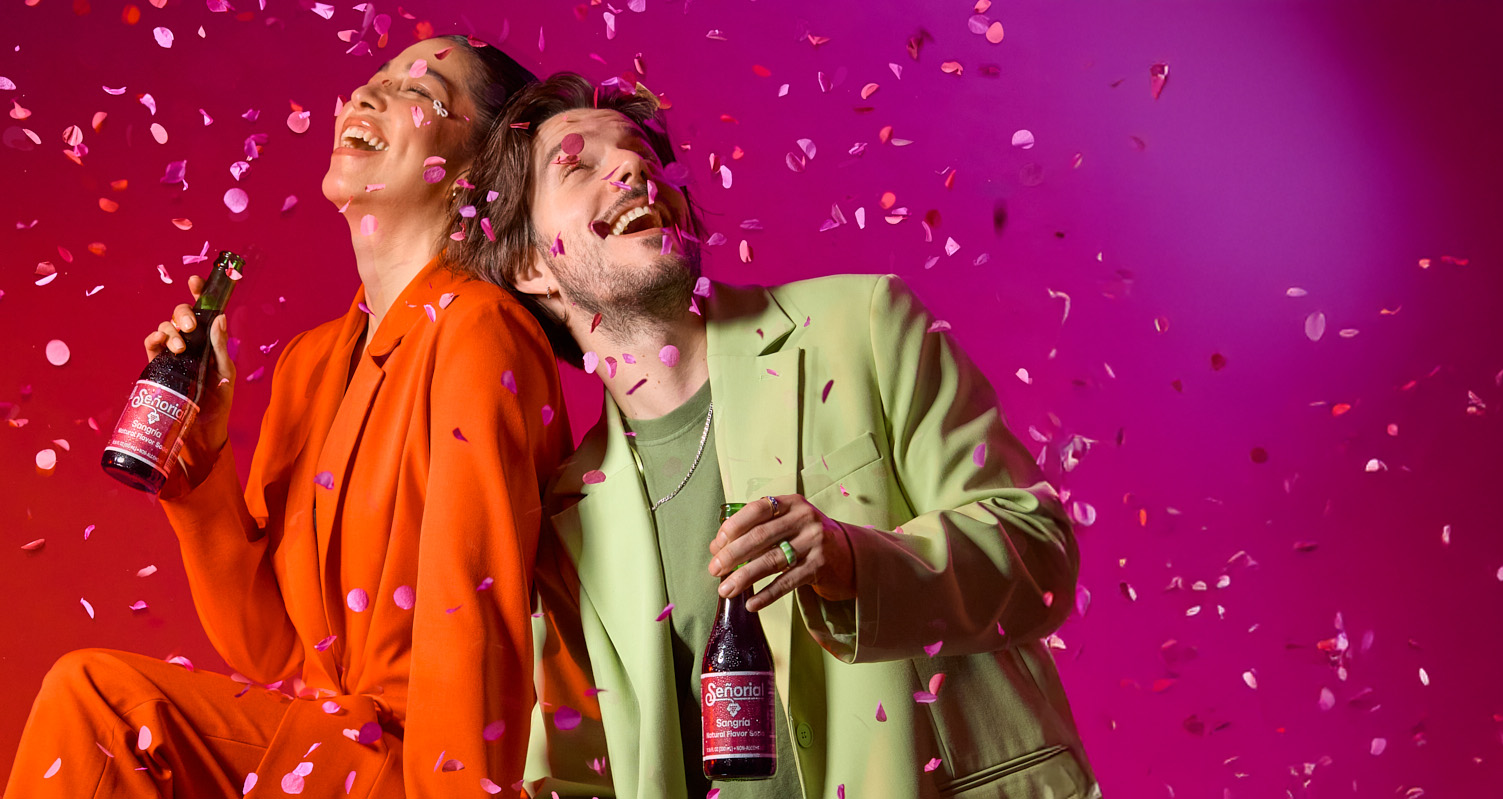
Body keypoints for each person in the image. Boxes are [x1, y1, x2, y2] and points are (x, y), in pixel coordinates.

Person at [451, 73, 1101, 799]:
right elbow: (576, 767)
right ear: (528, 265)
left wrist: (855, 560)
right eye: (577, 164)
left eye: (640, 153)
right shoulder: (567, 512)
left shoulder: (865, 324)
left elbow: (1037, 551)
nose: (634, 168)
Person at [5, 37, 572, 799]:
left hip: (417, 769)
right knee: (99, 710)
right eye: (369, 79)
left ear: (478, 165)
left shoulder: (480, 332)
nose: (365, 97)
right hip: (321, 755)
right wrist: (200, 470)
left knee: (97, 698)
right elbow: (269, 644)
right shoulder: (311, 362)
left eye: (421, 89)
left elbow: (480, 627)